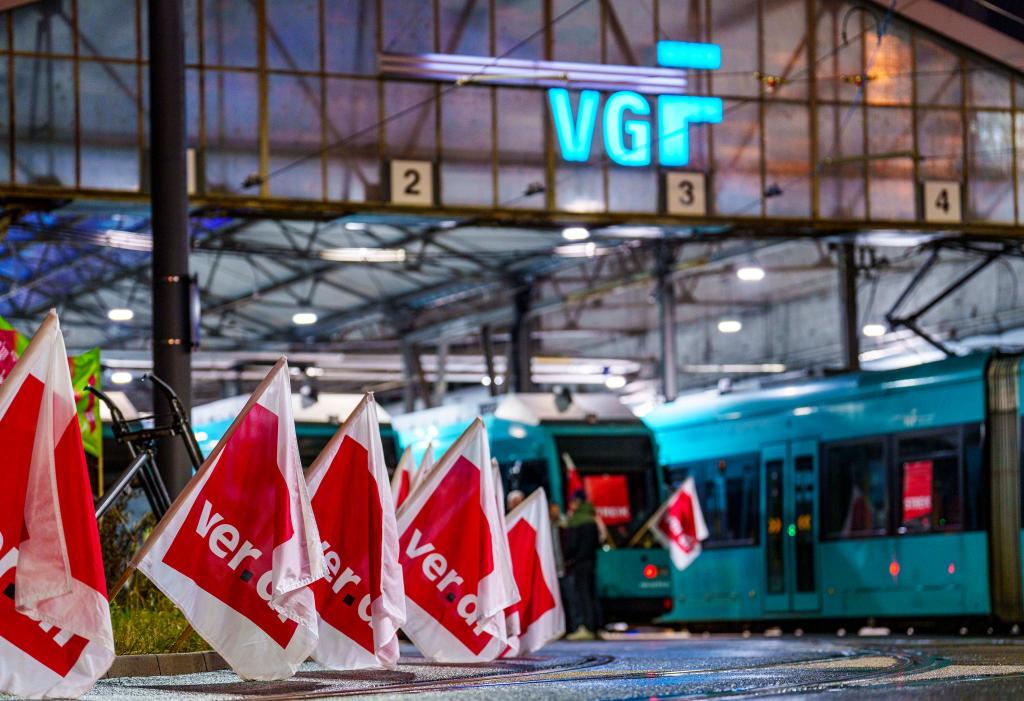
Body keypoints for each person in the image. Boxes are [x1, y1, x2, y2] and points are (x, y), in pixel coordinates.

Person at [563, 491, 600, 641]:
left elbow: (572, 545)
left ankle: (586, 627)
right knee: (590, 595)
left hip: (579, 564)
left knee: (581, 596)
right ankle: (594, 627)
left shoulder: (576, 521)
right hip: (591, 562)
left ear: (578, 502)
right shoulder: (592, 519)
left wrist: (568, 558)